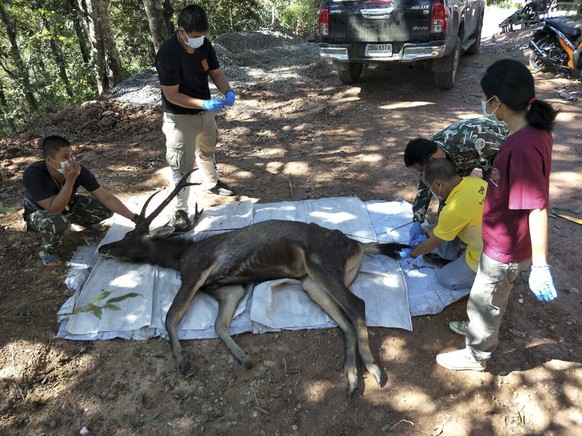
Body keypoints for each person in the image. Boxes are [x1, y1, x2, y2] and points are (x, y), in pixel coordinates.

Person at [436, 59, 558, 372]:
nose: (483, 103)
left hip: (506, 249)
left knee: (486, 298)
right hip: (502, 240)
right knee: (488, 296)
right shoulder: (530, 131)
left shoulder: (522, 147)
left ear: (497, 102)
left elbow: (537, 206)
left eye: (485, 97)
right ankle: (480, 328)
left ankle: (476, 355)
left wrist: (541, 264)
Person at [156, 4, 237, 230]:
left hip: (206, 113)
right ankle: (180, 209)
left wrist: (227, 91)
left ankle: (211, 183)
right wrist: (203, 102)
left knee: (208, 149)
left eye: (202, 36)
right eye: (194, 36)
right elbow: (171, 95)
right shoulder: (167, 54)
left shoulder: (204, 45)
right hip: (180, 117)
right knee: (181, 164)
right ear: (181, 31)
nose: (199, 40)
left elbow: (216, 73)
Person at [23, 135, 139, 266]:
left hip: (68, 206)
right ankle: (48, 251)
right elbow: (54, 209)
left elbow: (106, 198)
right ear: (50, 161)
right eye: (66, 157)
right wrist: (70, 181)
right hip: (41, 213)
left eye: (72, 155)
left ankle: (83, 222)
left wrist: (135, 218)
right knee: (57, 222)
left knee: (105, 209)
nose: (71, 160)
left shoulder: (79, 170)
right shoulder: (33, 174)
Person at [404, 118, 508, 248]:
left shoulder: (470, 139)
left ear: (432, 160)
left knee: (489, 196)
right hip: (471, 159)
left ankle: (494, 240)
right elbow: (426, 186)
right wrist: (417, 220)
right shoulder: (429, 154)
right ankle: (451, 244)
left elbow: (508, 149)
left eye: (421, 170)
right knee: (449, 201)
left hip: (497, 151)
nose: (421, 173)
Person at [400, 159, 487, 290]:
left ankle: (489, 278)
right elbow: (442, 229)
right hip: (493, 235)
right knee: (439, 228)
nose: (433, 192)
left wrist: (412, 254)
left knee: (445, 279)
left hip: (489, 255)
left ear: (438, 185)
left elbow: (434, 242)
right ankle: (451, 255)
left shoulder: (454, 209)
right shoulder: (475, 181)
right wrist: (425, 236)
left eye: (431, 188)